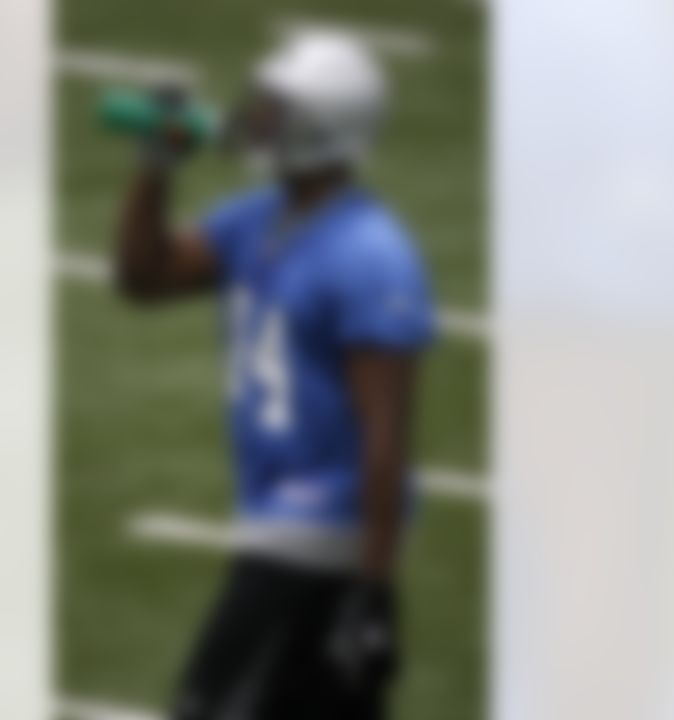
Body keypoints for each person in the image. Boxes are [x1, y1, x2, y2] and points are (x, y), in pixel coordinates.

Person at [112, 31, 435, 719]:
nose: (256, 115)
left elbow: (388, 435)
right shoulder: (258, 219)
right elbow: (143, 276)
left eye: (276, 106)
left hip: (318, 544)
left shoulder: (372, 255)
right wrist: (155, 165)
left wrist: (373, 591)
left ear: (324, 127)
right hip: (274, 529)